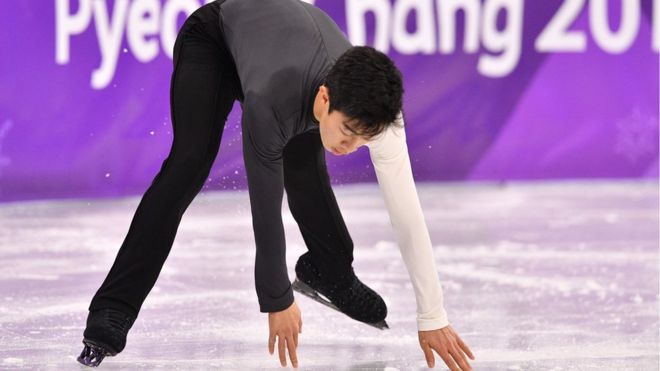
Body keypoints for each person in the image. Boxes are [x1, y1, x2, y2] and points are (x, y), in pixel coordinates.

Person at [77, 0, 475, 369]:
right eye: (349, 131)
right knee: (189, 165)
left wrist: (432, 315)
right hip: (215, 42)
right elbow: (265, 205)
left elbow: (406, 214)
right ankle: (114, 306)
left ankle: (329, 270)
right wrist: (276, 297)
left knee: (307, 165)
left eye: (363, 139)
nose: (352, 147)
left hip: (285, 60)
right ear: (324, 99)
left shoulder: (383, 121)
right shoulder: (271, 100)